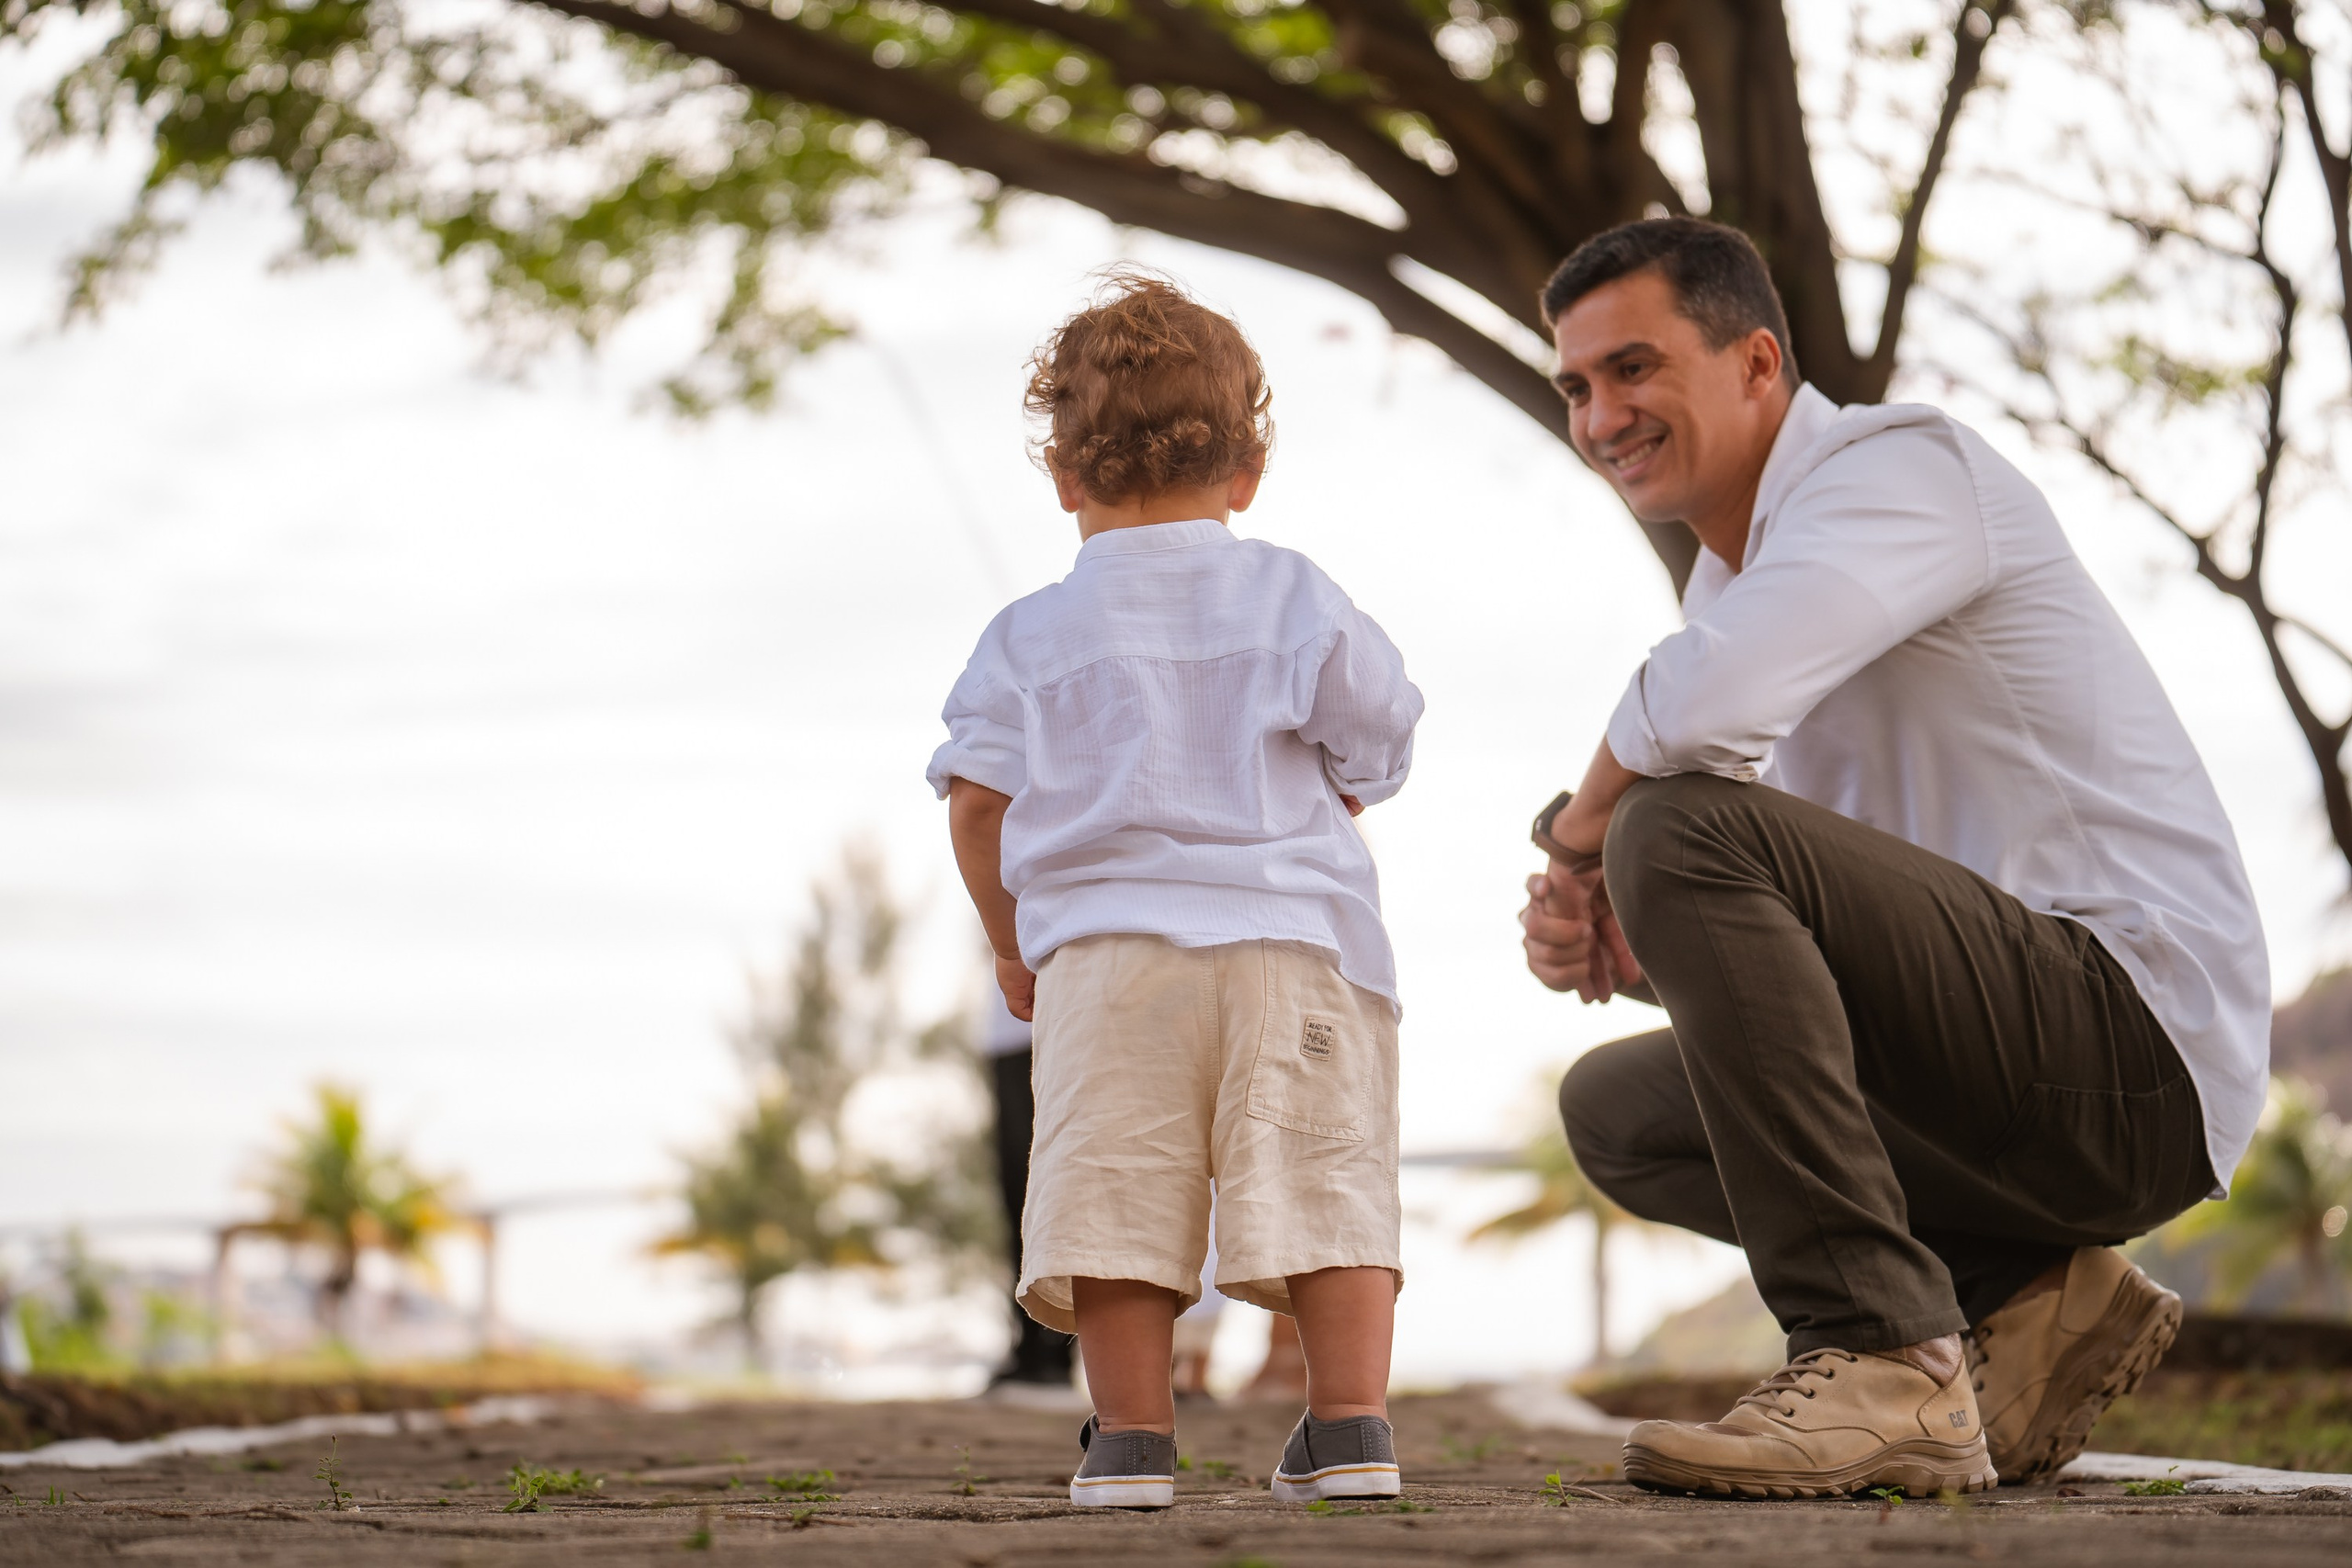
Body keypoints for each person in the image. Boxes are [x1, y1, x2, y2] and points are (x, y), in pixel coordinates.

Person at [1519, 219, 2269, 1498]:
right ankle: (2028, 1297)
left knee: (1670, 822)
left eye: (1633, 368)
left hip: (2134, 1044)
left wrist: (1581, 840)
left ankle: (1877, 1355)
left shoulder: (1901, 470)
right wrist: (1626, 932)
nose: (1601, 417)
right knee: (1621, 1114)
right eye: (1577, 387)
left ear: (1758, 362)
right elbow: (1791, 926)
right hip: (2002, 1069)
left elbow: (1696, 722)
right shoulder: (1732, 588)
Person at [928, 272, 1424, 1509]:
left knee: (1114, 1186)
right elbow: (1382, 725)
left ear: (1063, 476)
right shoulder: (1294, 592)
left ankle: (1132, 1443)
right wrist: (1348, 782)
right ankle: (1350, 1428)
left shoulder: (1026, 633)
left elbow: (977, 806)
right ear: (1247, 470)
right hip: (1295, 946)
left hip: (1107, 963)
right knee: (1322, 1173)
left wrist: (1011, 943)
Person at [976, 991, 1080, 1403]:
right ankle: (1033, 1346)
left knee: (1047, 1185)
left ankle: (1053, 1349)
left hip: (1050, 1028)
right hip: (1012, 1036)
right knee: (1017, 1193)